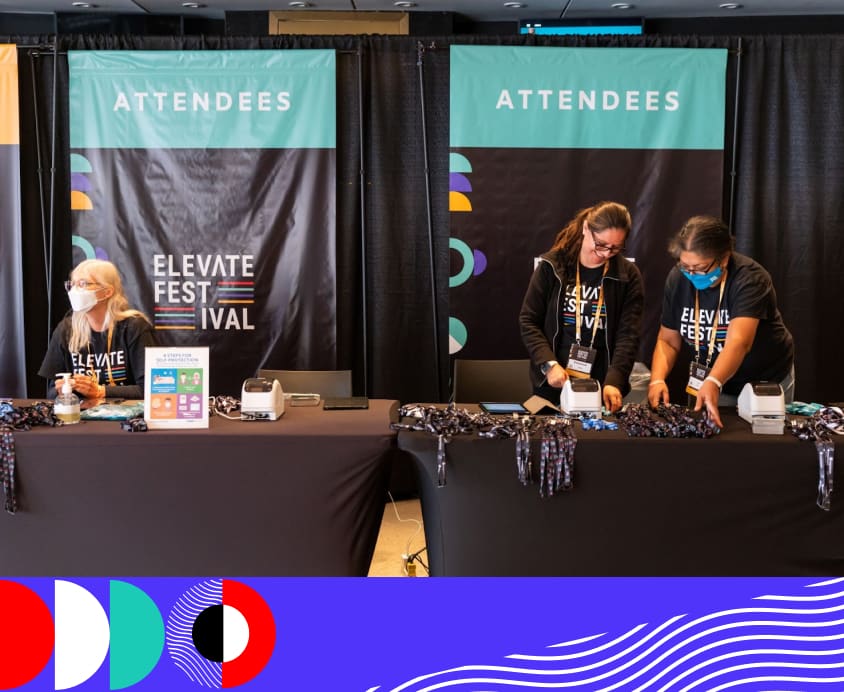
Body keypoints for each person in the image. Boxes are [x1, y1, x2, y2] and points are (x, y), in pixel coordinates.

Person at [647, 215, 795, 428]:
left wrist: (714, 381)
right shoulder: (678, 279)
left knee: (763, 447)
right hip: (710, 380)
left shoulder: (750, 279)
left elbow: (739, 342)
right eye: (685, 266)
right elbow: (668, 340)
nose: (691, 274)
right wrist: (657, 379)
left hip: (762, 380)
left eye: (700, 268)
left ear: (724, 258)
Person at [519, 201, 644, 413]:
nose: (606, 254)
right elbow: (529, 320)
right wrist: (548, 364)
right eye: (601, 244)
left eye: (615, 248)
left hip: (603, 386)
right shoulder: (552, 266)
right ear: (586, 228)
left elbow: (628, 335)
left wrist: (615, 380)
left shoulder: (627, 275)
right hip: (553, 382)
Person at [39, 259, 157, 400]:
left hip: (126, 417)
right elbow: (50, 392)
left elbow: (149, 389)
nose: (75, 291)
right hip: (81, 417)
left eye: (83, 284)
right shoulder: (66, 330)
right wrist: (62, 389)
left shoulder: (134, 327)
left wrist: (101, 391)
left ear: (107, 292)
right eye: (72, 284)